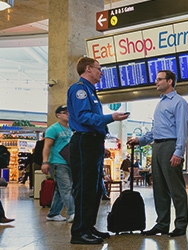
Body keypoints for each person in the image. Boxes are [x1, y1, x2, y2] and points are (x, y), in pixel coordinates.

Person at [67, 57, 130, 244]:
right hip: (84, 141)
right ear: (88, 69)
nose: (101, 72)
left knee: (95, 189)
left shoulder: (90, 91)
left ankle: (88, 227)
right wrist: (111, 117)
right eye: (99, 69)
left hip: (94, 142)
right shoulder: (79, 90)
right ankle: (78, 232)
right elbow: (84, 117)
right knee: (85, 188)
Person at [127, 70, 188, 238]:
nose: (156, 82)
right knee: (159, 188)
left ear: (170, 81)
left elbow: (182, 130)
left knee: (176, 188)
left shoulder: (179, 102)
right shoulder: (160, 103)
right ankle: (162, 224)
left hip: (170, 146)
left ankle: (181, 224)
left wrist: (179, 152)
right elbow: (155, 130)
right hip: (157, 147)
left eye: (159, 79)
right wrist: (140, 140)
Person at [41, 105, 75, 223]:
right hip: (57, 162)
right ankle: (72, 213)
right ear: (58, 115)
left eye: (69, 112)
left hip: (69, 162)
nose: (68, 114)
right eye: (65, 112)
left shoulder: (71, 129)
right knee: (66, 188)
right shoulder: (53, 129)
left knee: (61, 190)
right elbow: (47, 147)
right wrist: (45, 162)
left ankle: (53, 213)